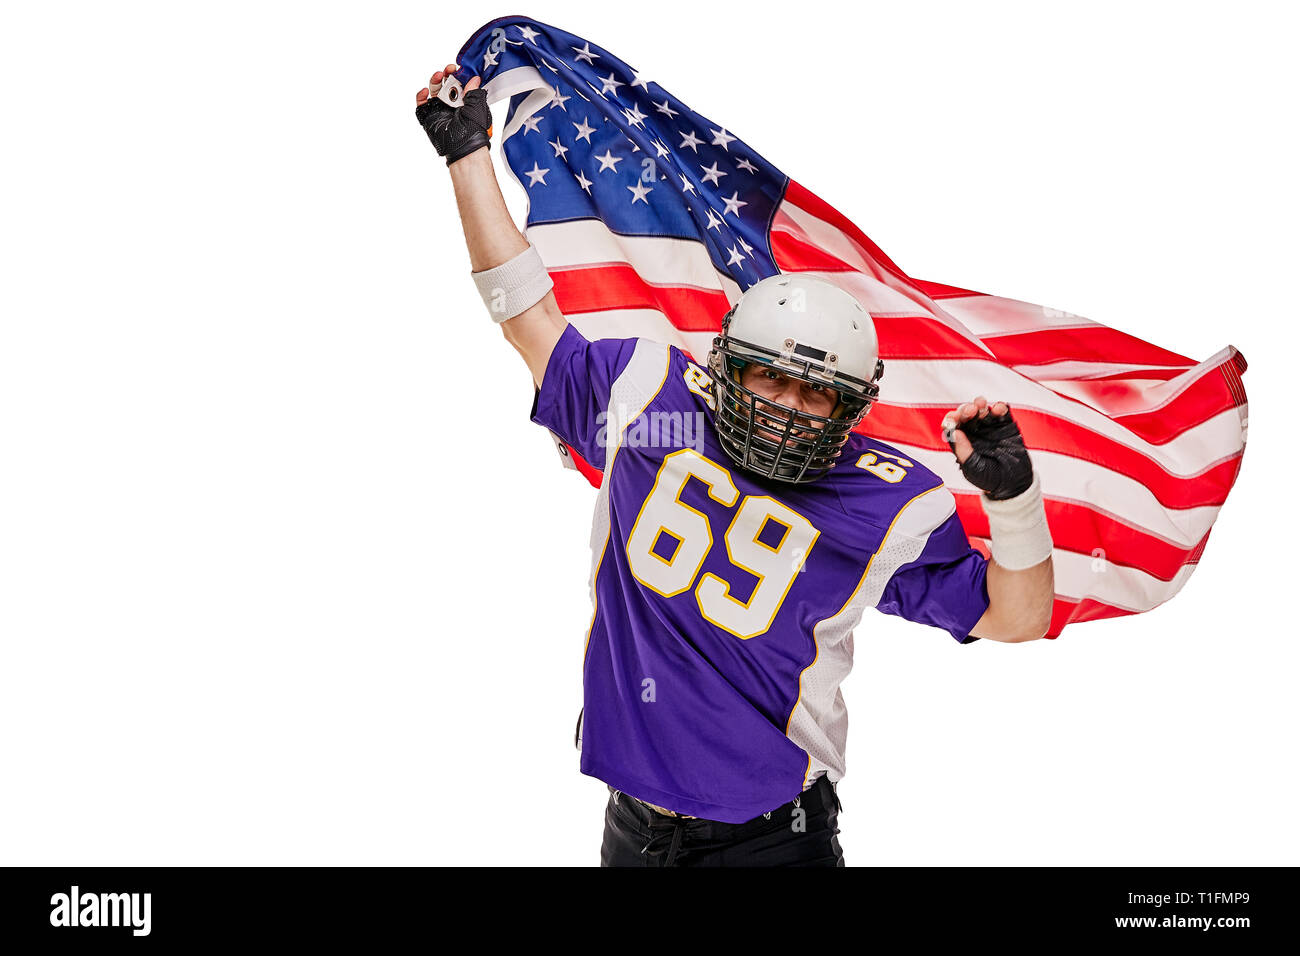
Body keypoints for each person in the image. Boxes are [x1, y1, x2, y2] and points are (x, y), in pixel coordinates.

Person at [415, 63, 1056, 867]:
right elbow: (526, 314)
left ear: (853, 410)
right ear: (728, 364)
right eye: (771, 376)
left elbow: (1018, 618)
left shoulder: (886, 500)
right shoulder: (649, 398)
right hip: (630, 828)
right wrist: (466, 154)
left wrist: (1015, 501)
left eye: (817, 394)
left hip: (772, 843)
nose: (789, 404)